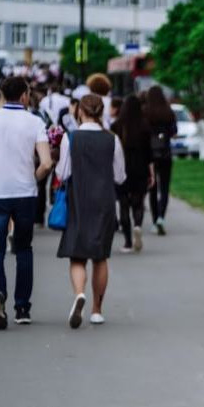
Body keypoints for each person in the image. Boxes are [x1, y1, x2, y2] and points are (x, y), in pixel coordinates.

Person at [0, 77, 53, 329]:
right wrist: (32, 178)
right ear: (25, 96)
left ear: (2, 94)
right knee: (24, 250)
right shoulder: (35, 122)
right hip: (25, 194)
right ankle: (22, 307)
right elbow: (47, 163)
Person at [54, 94, 125, 328]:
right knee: (101, 256)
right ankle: (97, 310)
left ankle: (78, 295)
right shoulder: (112, 140)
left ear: (80, 112)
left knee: (77, 254)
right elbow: (120, 176)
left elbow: (63, 174)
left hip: (78, 199)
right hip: (104, 201)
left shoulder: (71, 138)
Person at [111, 94, 155, 253]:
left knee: (123, 205)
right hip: (140, 169)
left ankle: (128, 242)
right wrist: (152, 173)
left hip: (121, 169)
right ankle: (137, 225)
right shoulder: (144, 127)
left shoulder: (116, 126)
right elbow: (150, 153)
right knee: (138, 202)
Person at [144, 85, 177, 235]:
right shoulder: (168, 112)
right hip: (165, 153)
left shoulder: (145, 112)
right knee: (164, 188)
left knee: (152, 188)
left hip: (150, 155)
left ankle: (154, 219)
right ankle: (161, 218)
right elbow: (174, 132)